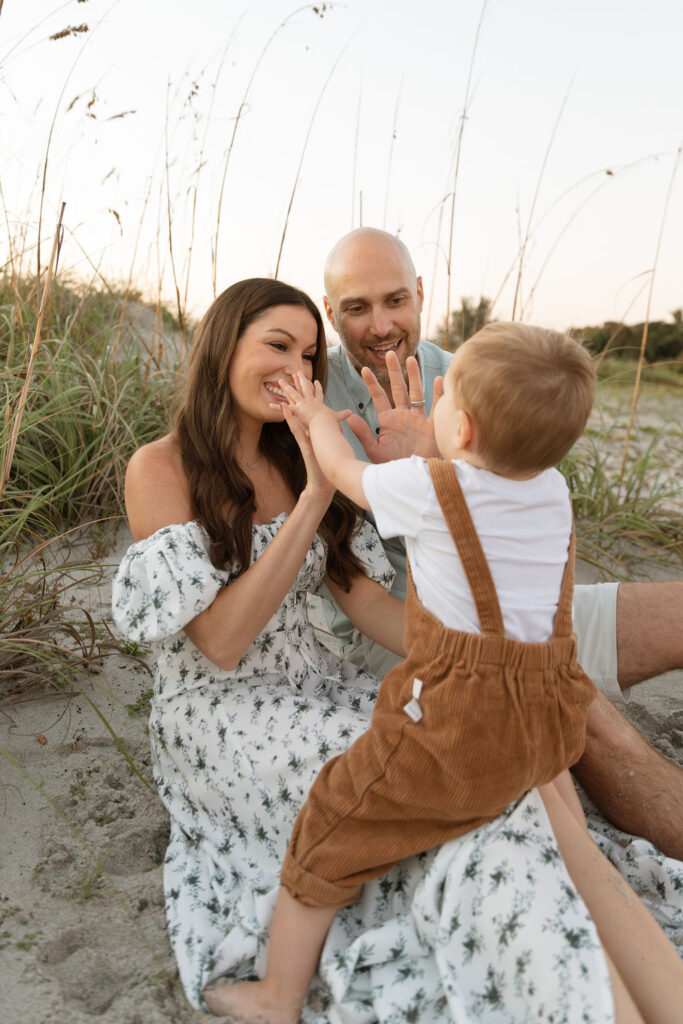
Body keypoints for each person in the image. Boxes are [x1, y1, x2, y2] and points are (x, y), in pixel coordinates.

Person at [112, 279, 649, 1022]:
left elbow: (375, 609)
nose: (297, 371)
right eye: (276, 347)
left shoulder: (307, 459)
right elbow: (221, 643)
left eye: (308, 354)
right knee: (473, 798)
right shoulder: (159, 468)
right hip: (218, 712)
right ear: (221, 345)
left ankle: (602, 972)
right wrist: (311, 499)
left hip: (322, 687)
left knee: (502, 777)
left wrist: (435, 505)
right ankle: (586, 986)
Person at [317, 226, 683, 860]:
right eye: (356, 307)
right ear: (331, 312)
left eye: (395, 300)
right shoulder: (311, 399)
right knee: (594, 725)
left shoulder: (468, 376)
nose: (380, 324)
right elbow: (339, 572)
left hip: (519, 611)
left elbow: (535, 520)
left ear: (421, 294)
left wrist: (433, 464)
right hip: (407, 640)